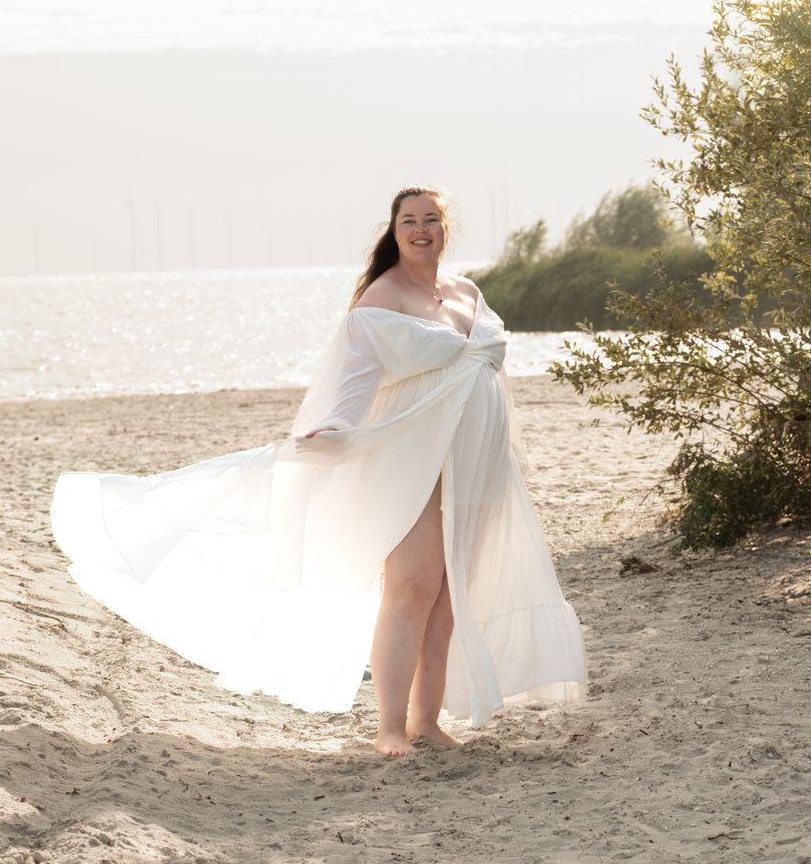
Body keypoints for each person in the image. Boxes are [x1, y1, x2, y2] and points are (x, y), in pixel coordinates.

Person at [49, 185, 586, 757]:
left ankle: (426, 722)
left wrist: (506, 448)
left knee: (450, 596)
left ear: (445, 229)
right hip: (410, 456)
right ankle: (389, 727)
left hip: (474, 457)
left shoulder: (467, 292)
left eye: (431, 219)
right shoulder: (383, 295)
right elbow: (353, 373)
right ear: (394, 230)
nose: (420, 229)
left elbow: (489, 373)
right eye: (409, 220)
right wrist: (333, 426)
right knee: (411, 586)